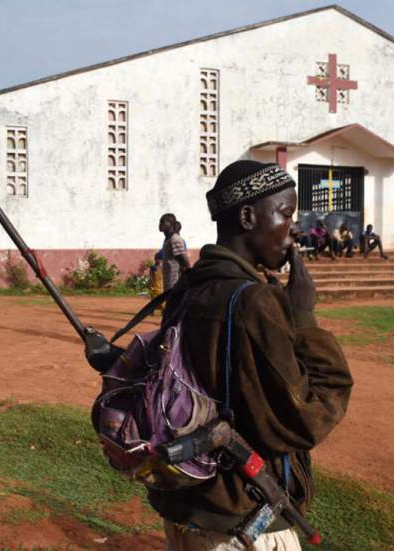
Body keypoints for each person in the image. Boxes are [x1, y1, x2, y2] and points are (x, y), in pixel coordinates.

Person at [152, 160, 353, 550]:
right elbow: (308, 418)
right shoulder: (254, 301)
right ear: (248, 216)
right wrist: (304, 319)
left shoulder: (188, 288)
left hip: (186, 508)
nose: (292, 229)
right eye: (285, 213)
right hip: (243, 523)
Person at [159, 213, 190, 292]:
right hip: (169, 281)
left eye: (163, 222)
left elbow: (184, 260)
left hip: (175, 283)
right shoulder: (167, 240)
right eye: (160, 222)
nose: (160, 224)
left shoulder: (175, 239)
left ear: (171, 224)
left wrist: (186, 277)